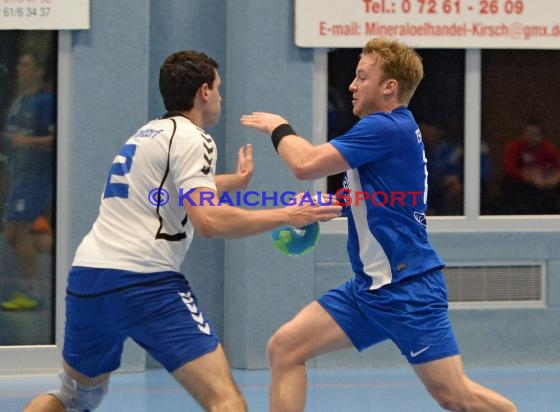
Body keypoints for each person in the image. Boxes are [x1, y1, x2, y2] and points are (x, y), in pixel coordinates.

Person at [23, 50, 341, 412]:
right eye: (219, 89)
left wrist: (237, 182)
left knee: (74, 396)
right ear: (204, 92)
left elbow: (168, 190)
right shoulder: (194, 137)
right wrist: (287, 215)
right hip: (146, 283)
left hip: (89, 277)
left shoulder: (146, 134)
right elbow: (209, 222)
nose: (221, 97)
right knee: (226, 401)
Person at [241, 37, 517, 411]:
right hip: (368, 289)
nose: (352, 86)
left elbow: (304, 164)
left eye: (362, 76)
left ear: (389, 87)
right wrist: (332, 203)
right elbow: (382, 196)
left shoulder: (385, 127)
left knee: (456, 396)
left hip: (408, 289)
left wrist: (279, 127)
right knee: (285, 348)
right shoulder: (389, 131)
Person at [1, 51, 56, 311]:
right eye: (19, 64)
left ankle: (32, 291)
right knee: (17, 234)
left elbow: (55, 140)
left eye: (26, 64)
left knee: (17, 230)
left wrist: (27, 142)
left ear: (38, 71)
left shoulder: (46, 102)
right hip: (19, 174)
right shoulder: (20, 101)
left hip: (36, 177)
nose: (20, 69)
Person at [501, 120, 560, 214]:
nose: (531, 137)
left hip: (544, 181)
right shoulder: (514, 146)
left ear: (541, 136)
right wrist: (528, 177)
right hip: (522, 182)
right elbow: (508, 167)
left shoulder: (548, 147)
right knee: (510, 182)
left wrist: (555, 179)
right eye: (528, 134)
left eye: (534, 134)